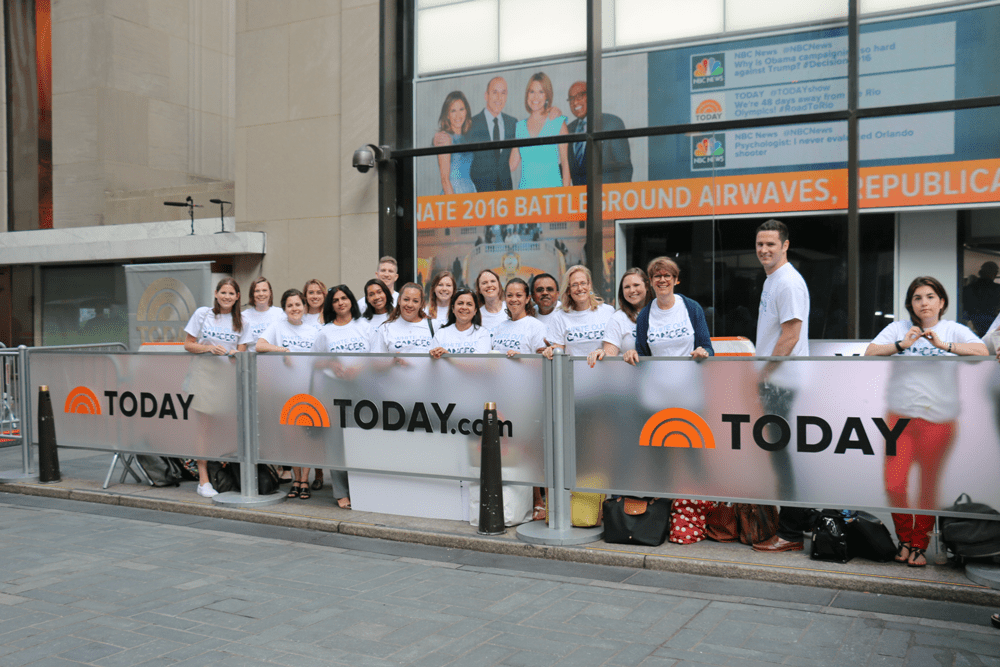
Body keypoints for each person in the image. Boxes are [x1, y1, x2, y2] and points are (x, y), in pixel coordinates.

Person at [865, 276, 986, 567]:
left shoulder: (953, 329)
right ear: (911, 304)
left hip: (939, 420)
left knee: (928, 488)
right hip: (900, 419)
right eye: (918, 298)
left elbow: (983, 351)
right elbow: (870, 352)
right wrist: (900, 344)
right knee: (895, 484)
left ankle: (919, 545)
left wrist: (945, 345)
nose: (924, 303)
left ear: (941, 302)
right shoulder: (899, 328)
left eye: (930, 297)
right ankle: (905, 538)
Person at [748, 220, 815, 554]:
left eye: (771, 244)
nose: (764, 250)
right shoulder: (773, 280)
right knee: (782, 456)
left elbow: (791, 335)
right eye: (760, 244)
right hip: (779, 382)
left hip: (782, 384)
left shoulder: (787, 282)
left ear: (785, 245)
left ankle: (790, 532)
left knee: (784, 458)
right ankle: (796, 524)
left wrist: (765, 374)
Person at [182, 278, 252, 498]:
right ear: (216, 293)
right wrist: (209, 349)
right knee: (204, 427)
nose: (227, 297)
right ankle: (202, 479)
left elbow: (242, 352)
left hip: (228, 378)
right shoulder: (203, 314)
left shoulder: (243, 321)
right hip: (204, 374)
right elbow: (188, 344)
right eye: (223, 292)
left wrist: (234, 355)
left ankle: (225, 474)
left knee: (228, 427)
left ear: (238, 296)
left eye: (231, 294)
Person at [307, 285, 370, 507]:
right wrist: (332, 363)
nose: (341, 303)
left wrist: (358, 369)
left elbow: (376, 357)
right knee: (336, 440)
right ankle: (341, 492)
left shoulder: (365, 326)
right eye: (335, 300)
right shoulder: (325, 331)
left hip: (363, 389)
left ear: (352, 300)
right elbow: (314, 361)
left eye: (344, 298)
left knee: (360, 440)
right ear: (330, 305)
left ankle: (361, 488)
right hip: (334, 389)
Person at [256, 288, 323, 495]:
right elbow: (259, 345)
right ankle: (296, 480)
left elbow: (322, 359)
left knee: (306, 437)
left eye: (298, 304)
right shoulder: (278, 326)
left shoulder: (314, 330)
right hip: (285, 391)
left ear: (304, 306)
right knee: (290, 437)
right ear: (284, 309)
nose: (294, 308)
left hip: (309, 390)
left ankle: (305, 480)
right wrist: (282, 350)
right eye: (290, 305)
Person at [509, 72, 571, 189]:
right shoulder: (520, 127)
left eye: (541, 92)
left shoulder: (558, 122)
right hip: (526, 198)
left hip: (553, 195)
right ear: (527, 95)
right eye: (532, 91)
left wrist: (566, 195)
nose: (535, 97)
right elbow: (511, 165)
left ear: (547, 95)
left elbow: (565, 163)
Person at [566, 81, 633, 186]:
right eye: (571, 99)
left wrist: (618, 198)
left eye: (579, 96)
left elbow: (624, 168)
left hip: (606, 197)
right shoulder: (568, 129)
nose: (575, 102)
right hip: (578, 199)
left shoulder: (612, 123)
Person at [543, 265, 614, 357]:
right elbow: (558, 351)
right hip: (572, 371)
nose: (580, 288)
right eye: (574, 285)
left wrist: (604, 352)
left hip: (603, 370)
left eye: (583, 283)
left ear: (589, 286)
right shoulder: (559, 316)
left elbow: (614, 346)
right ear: (568, 290)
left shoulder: (608, 311)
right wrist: (551, 350)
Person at [586, 267, 652, 366]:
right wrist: (602, 353)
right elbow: (610, 354)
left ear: (647, 286)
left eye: (636, 285)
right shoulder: (618, 318)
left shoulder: (659, 312)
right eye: (627, 287)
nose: (632, 290)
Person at [463, 77, 517, 193]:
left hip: (506, 196)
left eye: (503, 93)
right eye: (494, 92)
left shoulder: (513, 123)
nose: (499, 98)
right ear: (486, 95)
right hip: (479, 197)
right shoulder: (471, 124)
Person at [372, 282, 435, 353]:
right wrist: (392, 361)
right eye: (406, 299)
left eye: (415, 301)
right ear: (399, 300)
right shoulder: (385, 328)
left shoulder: (434, 326)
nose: (410, 304)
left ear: (421, 304)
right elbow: (376, 360)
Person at [491, 278, 548, 357]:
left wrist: (522, 358)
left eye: (519, 295)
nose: (514, 299)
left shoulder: (537, 327)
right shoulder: (499, 327)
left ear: (527, 299)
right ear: (505, 298)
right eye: (510, 295)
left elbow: (542, 363)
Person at [428, 288, 492, 357]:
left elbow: (479, 363)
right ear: (453, 308)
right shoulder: (441, 334)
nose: (464, 307)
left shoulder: (482, 333)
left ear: (475, 310)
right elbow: (432, 363)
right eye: (460, 303)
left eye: (469, 304)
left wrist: (448, 357)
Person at [435, 92, 476, 195]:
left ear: (466, 111)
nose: (458, 115)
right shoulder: (445, 139)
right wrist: (455, 204)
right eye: (453, 111)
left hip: (470, 190)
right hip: (453, 193)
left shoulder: (466, 138)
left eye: (461, 109)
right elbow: (445, 179)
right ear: (447, 115)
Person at [242, 277, 284, 353]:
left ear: (270, 292)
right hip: (252, 361)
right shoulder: (244, 316)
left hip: (275, 360)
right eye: (257, 291)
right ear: (252, 294)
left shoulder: (280, 314)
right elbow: (242, 345)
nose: (261, 294)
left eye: (264, 290)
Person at [962, 261, 1000, 336]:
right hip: (991, 325)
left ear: (980, 272)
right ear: (995, 274)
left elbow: (964, 306)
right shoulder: (998, 289)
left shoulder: (967, 289)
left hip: (972, 324)